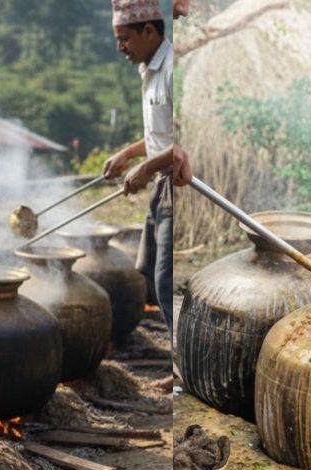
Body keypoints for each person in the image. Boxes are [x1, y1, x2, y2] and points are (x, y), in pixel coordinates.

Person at [104, 0, 191, 338]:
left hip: (172, 184)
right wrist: (128, 154)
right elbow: (158, 136)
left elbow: (179, 144)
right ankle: (174, 349)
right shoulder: (148, 69)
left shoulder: (171, 69)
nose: (120, 47)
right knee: (148, 269)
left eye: (124, 38)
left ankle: (179, 364)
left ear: (150, 31)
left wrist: (145, 168)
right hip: (158, 183)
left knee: (166, 278)